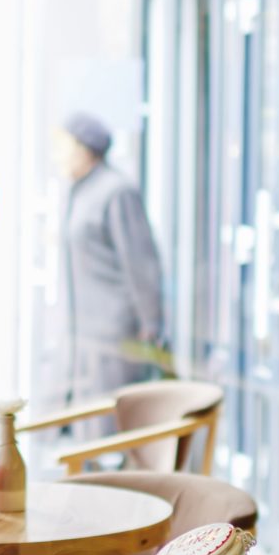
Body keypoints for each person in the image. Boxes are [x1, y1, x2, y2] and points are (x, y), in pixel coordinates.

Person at [55, 112, 166, 399]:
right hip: (81, 334)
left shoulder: (116, 191)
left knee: (109, 425)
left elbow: (141, 263)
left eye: (63, 146)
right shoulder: (77, 191)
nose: (57, 155)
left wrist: (151, 324)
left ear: (85, 149)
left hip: (112, 338)